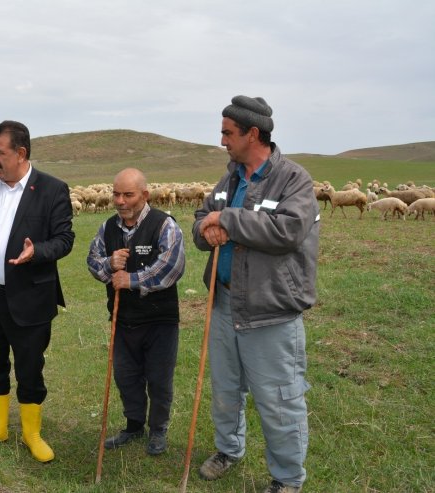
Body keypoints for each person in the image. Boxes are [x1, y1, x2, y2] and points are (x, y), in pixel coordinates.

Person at [192, 96, 319, 493]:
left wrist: (226, 219)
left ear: (252, 133)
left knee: (279, 399)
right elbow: (201, 218)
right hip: (225, 303)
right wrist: (205, 229)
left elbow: (288, 232)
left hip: (271, 310)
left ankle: (287, 479)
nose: (221, 140)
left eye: (228, 133)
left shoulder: (293, 179)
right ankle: (228, 450)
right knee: (226, 389)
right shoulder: (230, 178)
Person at [0, 120, 75, 463]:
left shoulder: (52, 189)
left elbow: (64, 240)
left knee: (29, 367)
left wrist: (36, 251)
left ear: (20, 153)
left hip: (29, 297)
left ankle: (32, 433)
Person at [87, 168, 185, 456]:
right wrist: (108, 264)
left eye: (128, 194)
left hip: (159, 321)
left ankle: (158, 430)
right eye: (116, 194)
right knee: (126, 376)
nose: (120, 201)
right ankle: (133, 425)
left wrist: (131, 279)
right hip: (123, 319)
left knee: (158, 378)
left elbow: (171, 267)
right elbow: (92, 260)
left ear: (145, 195)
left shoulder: (164, 225)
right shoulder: (108, 228)